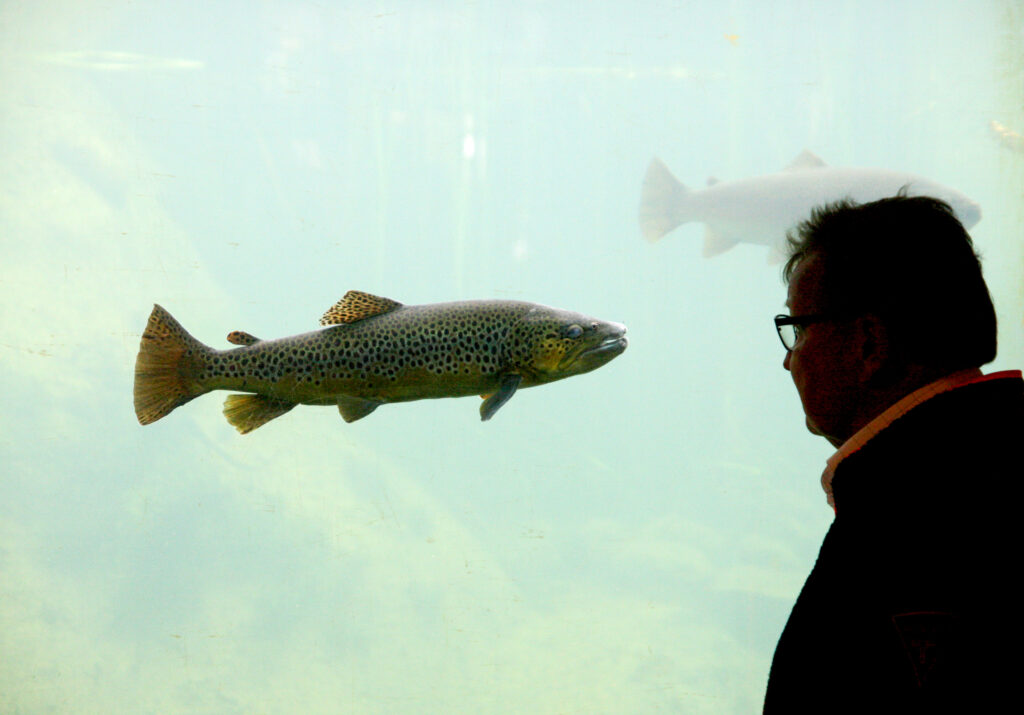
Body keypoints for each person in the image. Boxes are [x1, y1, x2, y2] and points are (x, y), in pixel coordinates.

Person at [764, 193, 1023, 713]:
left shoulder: (902, 522)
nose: (790, 362)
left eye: (800, 328)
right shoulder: (999, 457)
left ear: (868, 343)